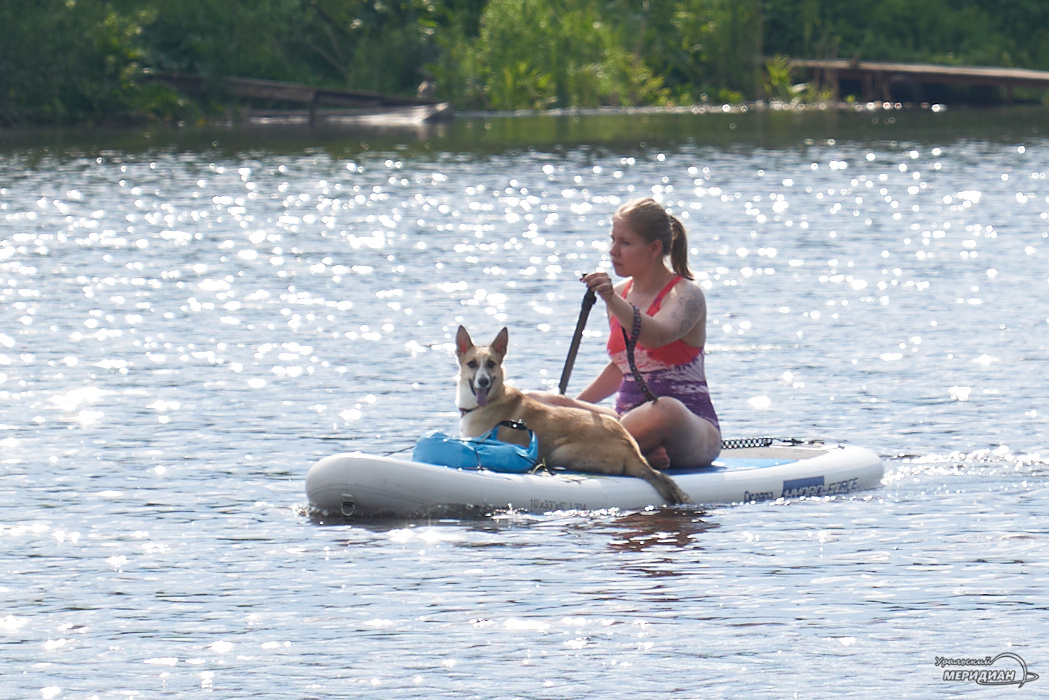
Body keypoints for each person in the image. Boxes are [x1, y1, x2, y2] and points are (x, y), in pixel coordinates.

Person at [534, 197, 721, 468]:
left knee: (664, 409)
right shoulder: (621, 294)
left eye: (625, 243)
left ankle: (583, 452)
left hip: (688, 427)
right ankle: (635, 451)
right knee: (536, 401)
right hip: (625, 422)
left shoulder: (687, 295)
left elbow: (655, 336)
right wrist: (565, 406)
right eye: (612, 240)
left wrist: (611, 299)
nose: (613, 251)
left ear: (654, 248)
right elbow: (621, 365)